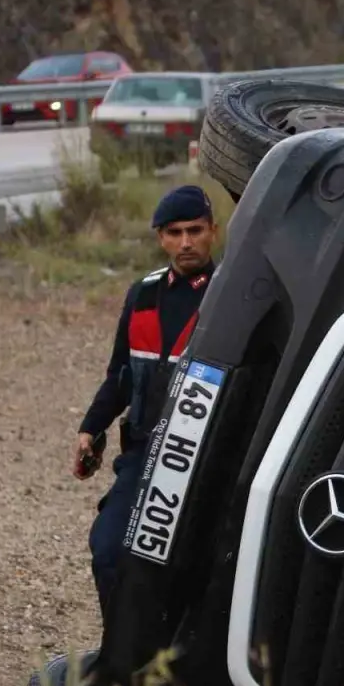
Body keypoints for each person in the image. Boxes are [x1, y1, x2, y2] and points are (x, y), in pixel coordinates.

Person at [75, 185, 219, 615]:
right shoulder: (143, 295)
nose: (186, 242)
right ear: (160, 238)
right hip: (143, 455)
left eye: (195, 230)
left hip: (206, 460)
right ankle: (122, 658)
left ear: (213, 230)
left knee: (191, 572)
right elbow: (119, 376)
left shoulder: (231, 297)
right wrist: (89, 429)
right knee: (108, 550)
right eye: (174, 232)